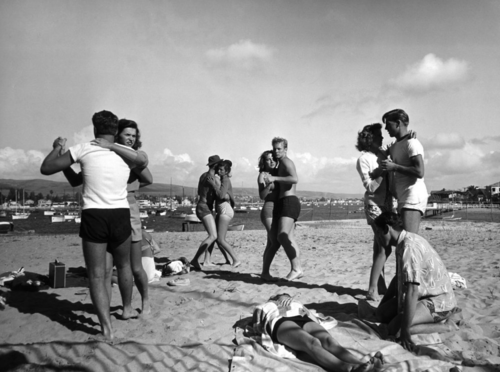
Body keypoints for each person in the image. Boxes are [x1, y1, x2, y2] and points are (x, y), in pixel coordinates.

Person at [40, 110, 148, 340]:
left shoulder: (84, 148)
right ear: (116, 130)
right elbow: (143, 163)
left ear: (94, 129)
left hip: (95, 214)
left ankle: (106, 328)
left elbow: (46, 168)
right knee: (125, 267)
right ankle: (127, 308)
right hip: (120, 214)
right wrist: (114, 148)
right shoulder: (127, 153)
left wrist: (57, 147)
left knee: (98, 275)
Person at [62, 119, 153, 316]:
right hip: (107, 212)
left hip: (128, 211)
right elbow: (76, 180)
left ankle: (145, 301)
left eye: (134, 136)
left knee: (135, 267)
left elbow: (148, 177)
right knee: (107, 269)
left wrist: (130, 189)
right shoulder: (101, 154)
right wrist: (64, 162)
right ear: (116, 133)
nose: (131, 139)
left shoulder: (130, 157)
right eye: (127, 135)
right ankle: (113, 308)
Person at [373, 212, 460, 351]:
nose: (377, 238)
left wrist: (405, 330)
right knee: (382, 314)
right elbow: (398, 279)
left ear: (387, 229)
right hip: (423, 296)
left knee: (395, 329)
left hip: (438, 299)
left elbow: (412, 290)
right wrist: (381, 307)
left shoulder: (409, 247)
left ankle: (445, 326)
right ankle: (412, 322)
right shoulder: (402, 243)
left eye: (377, 233)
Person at [252, 293, 384, 371]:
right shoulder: (267, 305)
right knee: (312, 342)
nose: (284, 296)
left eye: (286, 295)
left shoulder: (296, 303)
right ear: (274, 298)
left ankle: (361, 364)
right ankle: (348, 368)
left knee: (330, 341)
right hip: (280, 321)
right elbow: (257, 321)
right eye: (281, 295)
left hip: (302, 318)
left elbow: (312, 315)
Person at [355, 124, 393, 301]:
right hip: (374, 206)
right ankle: (372, 289)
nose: (382, 139)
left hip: (387, 204)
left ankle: (379, 285)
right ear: (369, 139)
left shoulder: (382, 154)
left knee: (379, 247)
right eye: (379, 136)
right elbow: (370, 187)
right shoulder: (364, 159)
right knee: (385, 246)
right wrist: (381, 172)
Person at [262, 137, 303, 281]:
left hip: (289, 201)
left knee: (282, 236)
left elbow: (294, 179)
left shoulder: (286, 161)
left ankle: (296, 268)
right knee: (283, 238)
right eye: (274, 148)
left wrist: (275, 178)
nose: (276, 151)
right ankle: (296, 269)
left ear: (285, 149)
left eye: (279, 148)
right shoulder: (279, 164)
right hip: (281, 202)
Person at [381, 109, 428, 233]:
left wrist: (395, 167)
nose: (385, 128)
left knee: (410, 240)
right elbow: (378, 150)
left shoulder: (412, 143)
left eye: (388, 124)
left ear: (397, 123)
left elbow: (420, 171)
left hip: (413, 197)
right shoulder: (395, 145)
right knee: (404, 241)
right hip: (403, 197)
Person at [205, 159, 241, 267]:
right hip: (222, 210)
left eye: (221, 170)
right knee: (215, 237)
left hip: (225, 210)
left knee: (220, 239)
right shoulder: (222, 179)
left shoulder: (225, 180)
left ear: (226, 171)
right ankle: (226, 260)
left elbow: (221, 195)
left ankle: (235, 259)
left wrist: (213, 184)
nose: (219, 171)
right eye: (218, 169)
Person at [190, 155, 222, 271]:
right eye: (220, 165)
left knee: (212, 235)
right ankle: (195, 259)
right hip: (205, 208)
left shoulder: (203, 176)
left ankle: (207, 260)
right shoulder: (214, 179)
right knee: (213, 235)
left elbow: (200, 192)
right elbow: (220, 194)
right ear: (216, 165)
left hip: (201, 205)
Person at [257, 150, 281, 281]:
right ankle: (265, 273)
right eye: (268, 159)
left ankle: (264, 272)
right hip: (268, 210)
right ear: (263, 162)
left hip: (277, 210)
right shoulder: (263, 175)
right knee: (275, 242)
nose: (271, 161)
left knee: (270, 243)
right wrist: (269, 186)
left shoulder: (277, 173)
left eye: (273, 159)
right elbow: (261, 195)